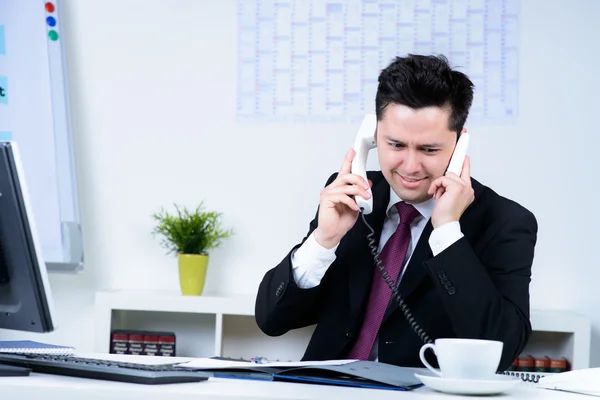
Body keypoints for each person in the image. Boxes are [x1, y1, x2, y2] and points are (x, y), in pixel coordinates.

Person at [254, 54, 537, 371]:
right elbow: (271, 319)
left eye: (429, 149)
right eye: (396, 145)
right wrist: (323, 240)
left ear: (459, 146)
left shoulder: (504, 222)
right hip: (324, 389)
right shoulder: (350, 196)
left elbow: (501, 350)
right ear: (372, 136)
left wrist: (446, 233)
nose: (411, 166)